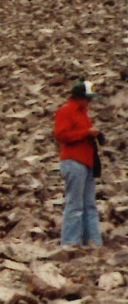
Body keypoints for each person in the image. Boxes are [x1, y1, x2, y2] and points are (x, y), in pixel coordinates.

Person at [54, 78, 102, 247]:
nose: (89, 102)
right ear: (78, 97)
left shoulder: (82, 112)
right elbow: (61, 135)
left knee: (89, 205)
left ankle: (93, 242)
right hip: (73, 161)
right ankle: (70, 244)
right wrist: (86, 132)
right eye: (87, 98)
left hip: (86, 162)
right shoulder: (66, 111)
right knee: (75, 205)